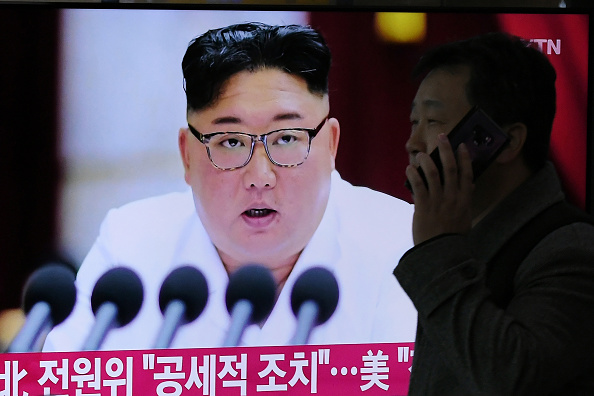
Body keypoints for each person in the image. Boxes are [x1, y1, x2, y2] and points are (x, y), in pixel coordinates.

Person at [44, 22, 416, 350]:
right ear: (187, 155)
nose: (260, 176)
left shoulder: (399, 245)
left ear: (331, 144)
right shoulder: (130, 248)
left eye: (286, 138)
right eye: (231, 142)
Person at [394, 32, 594, 395]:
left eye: (434, 122)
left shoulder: (572, 249)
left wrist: (439, 248)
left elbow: (513, 377)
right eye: (414, 122)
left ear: (504, 141)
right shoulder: (466, 235)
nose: (413, 143)